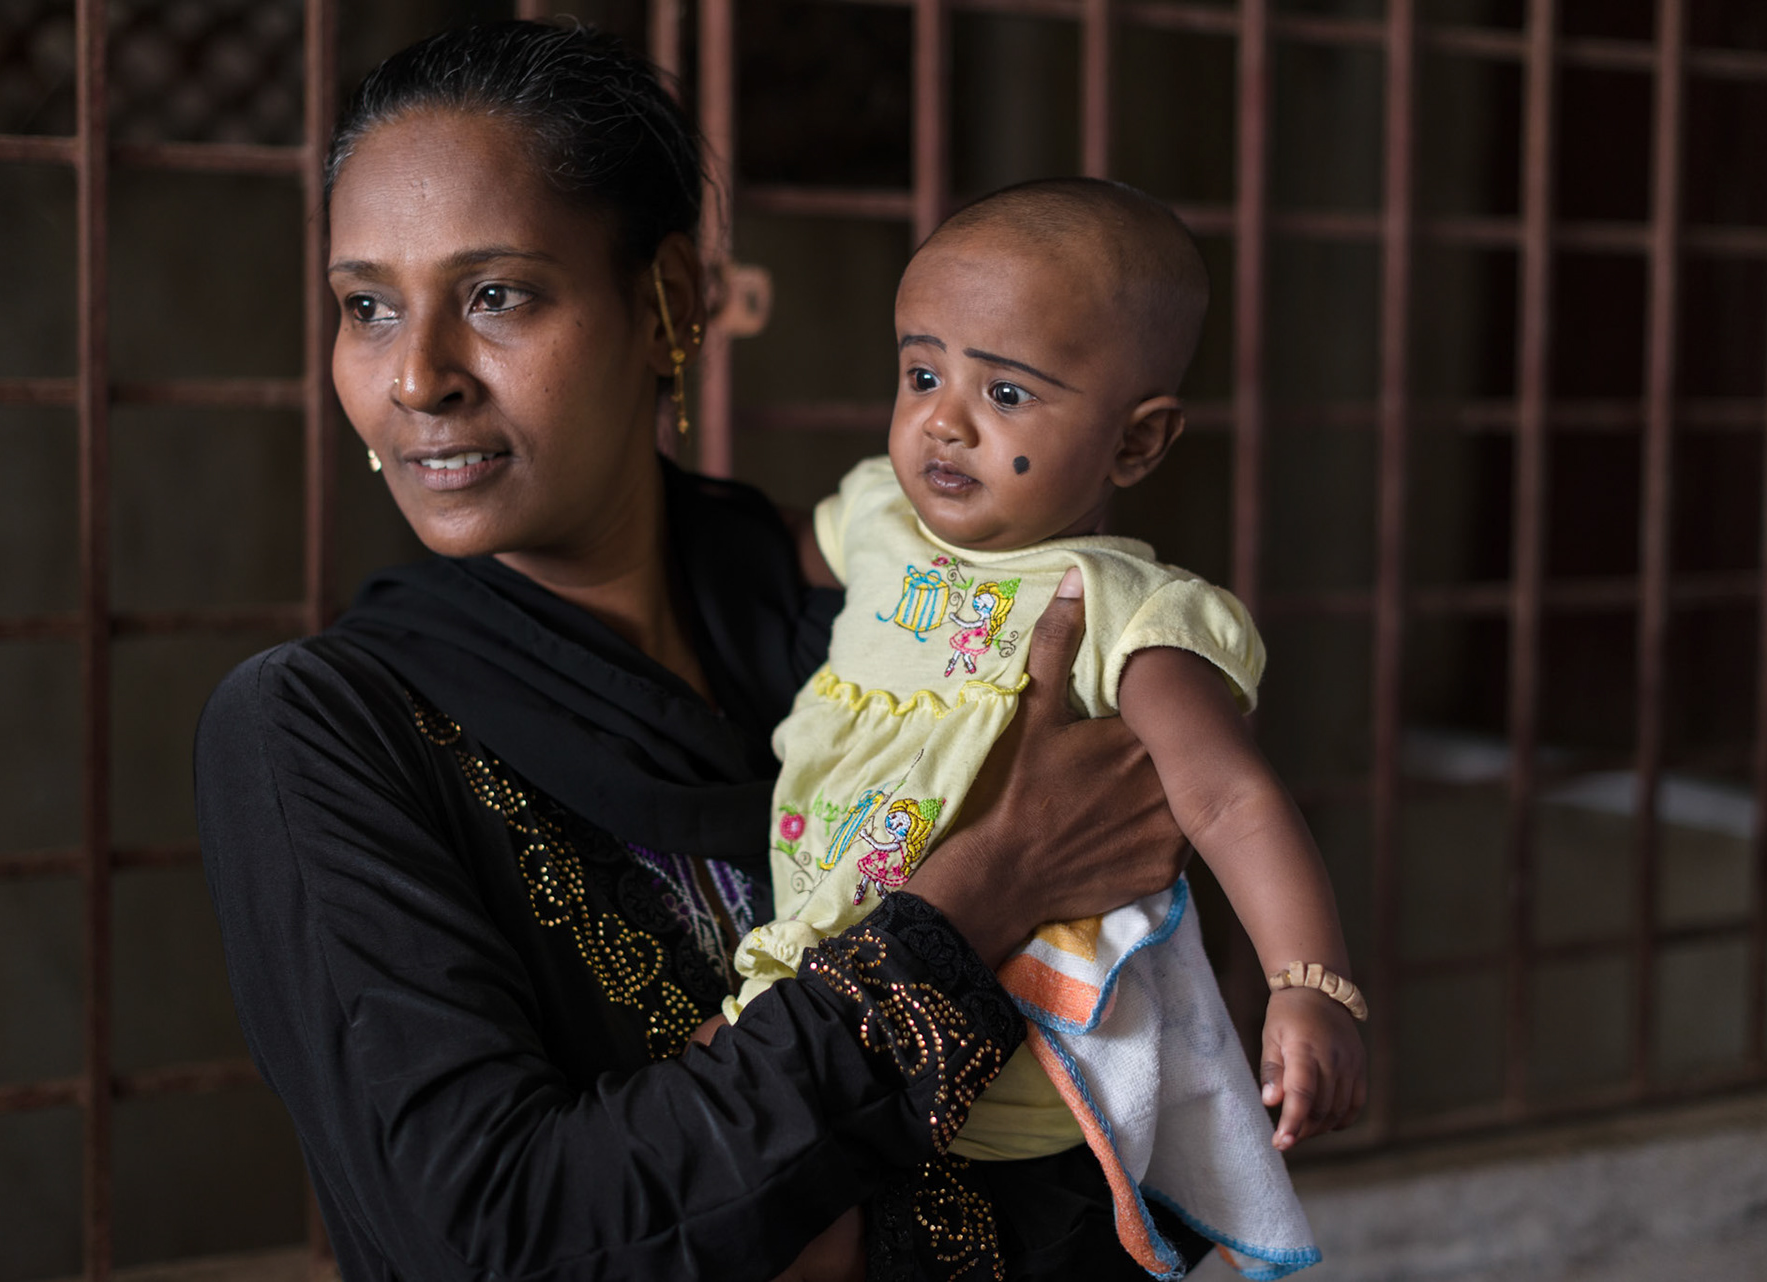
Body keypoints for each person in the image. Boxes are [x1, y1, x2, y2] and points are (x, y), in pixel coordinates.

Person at [194, 22, 1200, 1282]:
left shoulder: (892, 625)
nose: (417, 377)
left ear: (667, 299)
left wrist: (798, 1217)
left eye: (495, 295)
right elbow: (502, 1239)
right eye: (367, 307)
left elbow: (1113, 1106)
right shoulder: (327, 731)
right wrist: (974, 895)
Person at [722, 180, 1366, 1279]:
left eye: (1008, 392)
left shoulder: (1121, 609)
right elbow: (761, 549)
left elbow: (1229, 796)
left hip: (1009, 1050)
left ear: (1137, 442)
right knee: (761, 1187)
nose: (945, 418)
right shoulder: (881, 518)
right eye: (922, 373)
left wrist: (1313, 981)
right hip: (827, 988)